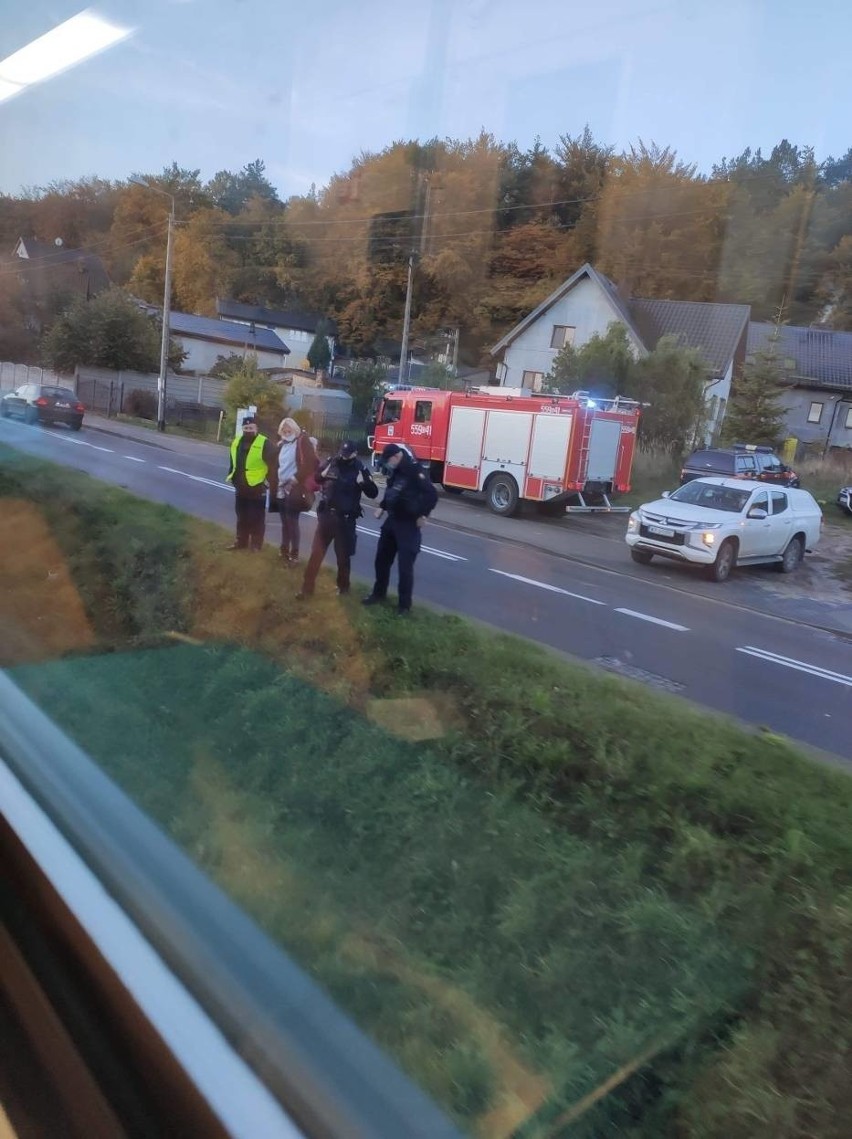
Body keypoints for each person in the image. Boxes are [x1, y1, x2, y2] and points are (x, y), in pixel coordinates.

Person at [295, 440, 378, 600]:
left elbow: (373, 493)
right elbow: (317, 478)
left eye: (347, 454)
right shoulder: (332, 462)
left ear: (354, 454)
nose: (343, 457)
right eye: (342, 453)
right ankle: (306, 588)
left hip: (345, 521)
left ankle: (343, 587)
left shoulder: (360, 468)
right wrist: (322, 474)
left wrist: (364, 483)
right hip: (326, 517)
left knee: (343, 557)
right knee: (316, 554)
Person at [362, 443, 438, 615]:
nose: (387, 464)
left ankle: (404, 606)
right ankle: (378, 593)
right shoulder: (396, 470)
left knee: (405, 568)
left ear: (396, 457)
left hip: (408, 525)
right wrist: (382, 506)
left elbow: (431, 495)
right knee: (381, 560)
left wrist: (424, 515)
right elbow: (391, 490)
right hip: (392, 520)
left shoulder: (414, 470)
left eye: (388, 460)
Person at [225, 415, 278, 551]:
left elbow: (275, 464)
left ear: (256, 428)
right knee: (241, 516)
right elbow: (233, 461)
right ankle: (240, 541)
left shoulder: (264, 443)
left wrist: (267, 482)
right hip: (241, 487)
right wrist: (233, 476)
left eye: (251, 428)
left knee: (257, 518)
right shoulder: (237, 442)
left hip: (257, 487)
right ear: (243, 428)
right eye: (246, 428)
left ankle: (256, 545)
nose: (248, 430)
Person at [276, 417, 317, 565]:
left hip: (295, 487)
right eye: (284, 431)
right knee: (284, 522)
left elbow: (309, 463)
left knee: (292, 521)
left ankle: (295, 555)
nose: (287, 433)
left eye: (289, 430)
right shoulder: (283, 444)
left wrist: (295, 479)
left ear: (295, 429)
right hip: (281, 487)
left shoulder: (301, 442)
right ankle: (284, 549)